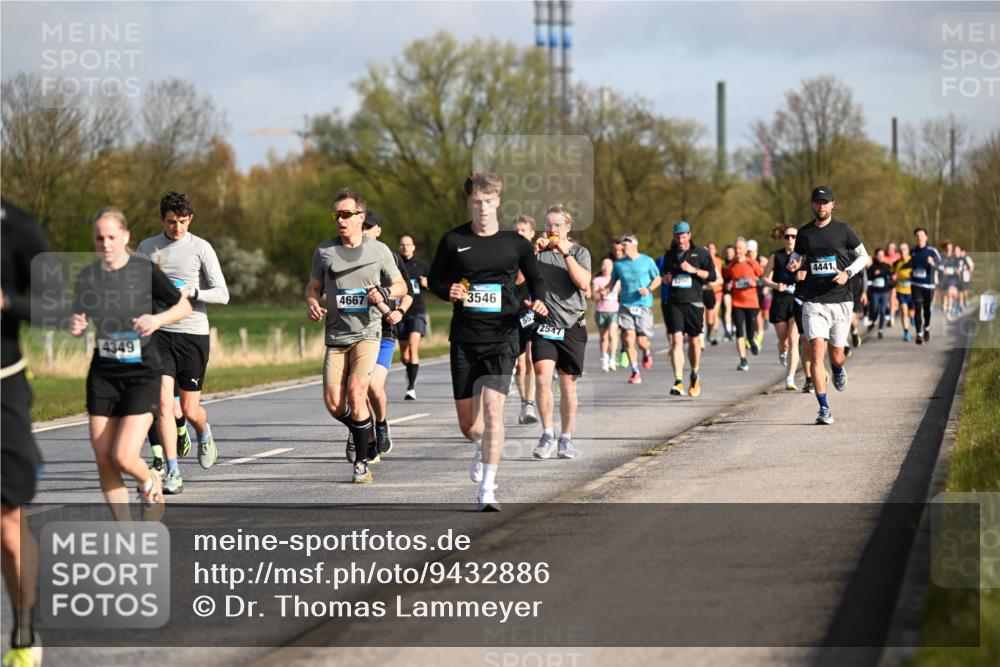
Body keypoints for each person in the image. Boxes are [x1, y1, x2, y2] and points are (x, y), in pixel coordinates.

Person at [427, 172, 548, 511]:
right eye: (477, 202)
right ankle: (479, 447)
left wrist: (538, 300)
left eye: (489, 202)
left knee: (495, 412)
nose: (483, 208)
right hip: (465, 338)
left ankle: (488, 489)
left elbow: (537, 281)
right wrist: (445, 290)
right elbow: (435, 279)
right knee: (469, 424)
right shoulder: (453, 241)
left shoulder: (516, 244)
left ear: (498, 202)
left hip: (502, 337)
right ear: (469, 203)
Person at [70, 207, 192, 521]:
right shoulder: (88, 277)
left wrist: (157, 318)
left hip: (142, 374)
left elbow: (183, 307)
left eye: (112, 237)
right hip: (104, 375)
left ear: (125, 237)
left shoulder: (144, 271)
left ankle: (149, 479)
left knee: (123, 456)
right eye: (99, 238)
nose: (105, 243)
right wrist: (75, 322)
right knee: (104, 458)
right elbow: (79, 314)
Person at [306, 189, 407, 485]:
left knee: (356, 391)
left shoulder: (379, 250)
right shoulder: (324, 251)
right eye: (336, 214)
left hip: (368, 333)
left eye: (346, 214)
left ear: (361, 217)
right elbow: (313, 287)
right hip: (336, 336)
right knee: (334, 404)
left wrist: (386, 292)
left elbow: (401, 286)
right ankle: (364, 430)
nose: (340, 220)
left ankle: (362, 463)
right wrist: (312, 302)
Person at [136, 191, 229, 494]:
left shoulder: (201, 248)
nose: (178, 229)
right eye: (172, 222)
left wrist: (193, 292)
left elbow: (222, 293)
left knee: (190, 410)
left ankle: (203, 432)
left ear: (191, 219)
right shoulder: (147, 248)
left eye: (183, 222)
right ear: (161, 219)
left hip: (192, 334)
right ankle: (172, 472)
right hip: (159, 333)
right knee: (164, 401)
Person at [1, 198, 48, 667]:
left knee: (9, 529)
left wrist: (8, 302)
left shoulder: (18, 226)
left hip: (3, 387)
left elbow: (54, 306)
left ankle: (24, 631)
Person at [787, 186, 869, 425]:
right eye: (817, 202)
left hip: (841, 299)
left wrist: (848, 273)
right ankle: (824, 408)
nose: (821, 206)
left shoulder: (844, 231)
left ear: (833, 204)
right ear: (812, 205)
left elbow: (864, 256)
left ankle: (838, 368)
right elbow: (796, 258)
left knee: (836, 354)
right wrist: (793, 266)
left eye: (825, 202)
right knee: (815, 351)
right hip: (813, 301)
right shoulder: (804, 234)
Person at [529, 205, 591, 460]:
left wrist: (566, 254)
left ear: (567, 228)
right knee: (542, 376)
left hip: (572, 326)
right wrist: (530, 254)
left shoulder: (579, 252)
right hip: (544, 325)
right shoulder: (538, 254)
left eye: (557, 225)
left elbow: (584, 284)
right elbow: (519, 283)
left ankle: (565, 439)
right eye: (548, 225)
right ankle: (547, 434)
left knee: (567, 385)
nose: (552, 230)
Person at [352, 211, 414, 460]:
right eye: (362, 227)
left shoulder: (391, 258)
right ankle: (366, 439)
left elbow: (407, 293)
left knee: (374, 388)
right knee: (360, 388)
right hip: (356, 332)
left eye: (370, 227)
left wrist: (399, 311)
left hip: (385, 331)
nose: (366, 231)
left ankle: (381, 423)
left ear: (379, 230)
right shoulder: (349, 257)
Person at [660, 221, 716, 396]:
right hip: (675, 302)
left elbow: (711, 276)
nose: (680, 239)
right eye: (677, 236)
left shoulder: (701, 253)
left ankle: (694, 373)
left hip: (694, 303)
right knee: (676, 341)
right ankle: (678, 381)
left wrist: (693, 270)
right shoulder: (669, 254)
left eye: (683, 236)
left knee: (694, 342)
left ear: (689, 235)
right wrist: (667, 277)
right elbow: (665, 274)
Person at [605, 234, 660, 384]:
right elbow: (612, 281)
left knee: (642, 342)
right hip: (626, 306)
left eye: (625, 245)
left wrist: (648, 289)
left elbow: (657, 278)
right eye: (622, 245)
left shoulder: (647, 261)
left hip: (643, 305)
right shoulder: (619, 264)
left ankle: (646, 352)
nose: (623, 248)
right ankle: (635, 372)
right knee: (629, 339)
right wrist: (606, 291)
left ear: (634, 245)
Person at [764, 226, 800, 390]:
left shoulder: (803, 257)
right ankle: (781, 350)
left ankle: (790, 377)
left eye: (794, 236)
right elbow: (764, 278)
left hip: (796, 301)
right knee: (784, 342)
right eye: (787, 236)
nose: (790, 239)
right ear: (783, 238)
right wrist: (775, 285)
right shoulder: (776, 256)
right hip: (779, 302)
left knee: (794, 341)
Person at [511, 215, 539, 424]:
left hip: (533, 313)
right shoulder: (506, 258)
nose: (519, 234)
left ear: (531, 234)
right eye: (516, 231)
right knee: (520, 364)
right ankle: (524, 403)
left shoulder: (539, 259)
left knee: (530, 358)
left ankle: (530, 404)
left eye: (523, 230)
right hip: (513, 313)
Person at [723, 237, 763, 371]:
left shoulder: (752, 263)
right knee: (739, 331)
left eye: (740, 248)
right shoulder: (730, 266)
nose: (738, 251)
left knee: (750, 332)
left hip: (752, 303)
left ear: (745, 250)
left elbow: (763, 279)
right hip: (737, 303)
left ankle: (752, 341)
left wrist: (755, 282)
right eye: (736, 248)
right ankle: (743, 360)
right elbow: (727, 280)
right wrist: (728, 285)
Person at [397, 234, 430, 400]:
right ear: (399, 247)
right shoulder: (394, 264)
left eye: (408, 244)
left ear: (413, 246)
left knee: (413, 345)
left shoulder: (422, 265)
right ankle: (410, 370)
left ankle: (411, 388)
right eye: (402, 244)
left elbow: (433, 284)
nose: (405, 247)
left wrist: (427, 284)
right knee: (405, 355)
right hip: (400, 312)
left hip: (417, 310)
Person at [910, 228, 941, 345]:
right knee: (918, 308)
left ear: (926, 237)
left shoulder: (932, 251)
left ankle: (926, 327)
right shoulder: (912, 251)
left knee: (927, 310)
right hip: (915, 284)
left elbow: (941, 266)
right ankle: (919, 334)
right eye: (917, 235)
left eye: (921, 235)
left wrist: (933, 263)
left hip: (929, 286)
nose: (919, 238)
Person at [591, 258, 620, 372]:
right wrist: (600, 294)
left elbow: (622, 293)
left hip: (614, 311)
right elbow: (593, 297)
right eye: (603, 265)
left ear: (613, 268)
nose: (606, 267)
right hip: (601, 311)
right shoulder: (597, 280)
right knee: (603, 337)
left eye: (608, 265)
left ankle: (612, 358)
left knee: (613, 335)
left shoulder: (617, 281)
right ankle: (604, 358)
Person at [866, 248, 893, 338]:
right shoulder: (872, 267)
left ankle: (880, 329)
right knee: (874, 309)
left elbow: (890, 277)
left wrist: (892, 283)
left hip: (885, 292)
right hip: (875, 292)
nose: (881, 257)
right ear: (876, 256)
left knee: (883, 311)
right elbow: (868, 279)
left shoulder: (887, 266)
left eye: (882, 255)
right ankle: (873, 320)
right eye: (879, 255)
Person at [893, 243, 915, 342]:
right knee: (903, 310)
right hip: (901, 291)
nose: (902, 252)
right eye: (901, 250)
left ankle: (912, 318)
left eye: (904, 250)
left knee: (911, 313)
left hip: (913, 291)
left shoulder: (913, 261)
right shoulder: (896, 263)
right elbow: (891, 275)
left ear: (908, 251)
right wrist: (893, 277)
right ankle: (906, 331)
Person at [706, 242, 725, 345]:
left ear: (715, 250)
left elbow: (722, 277)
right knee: (707, 314)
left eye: (712, 248)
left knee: (714, 313)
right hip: (706, 292)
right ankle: (709, 331)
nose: (710, 250)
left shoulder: (719, 261)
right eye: (708, 248)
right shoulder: (703, 260)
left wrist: (712, 284)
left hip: (717, 290)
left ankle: (714, 332)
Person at [721, 244, 736, 340]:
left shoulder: (737, 262)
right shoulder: (722, 263)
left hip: (737, 289)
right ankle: (728, 331)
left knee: (736, 310)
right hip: (726, 290)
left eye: (731, 252)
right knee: (727, 309)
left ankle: (735, 328)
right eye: (727, 252)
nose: (729, 254)